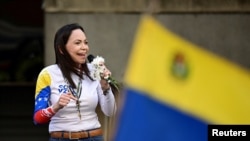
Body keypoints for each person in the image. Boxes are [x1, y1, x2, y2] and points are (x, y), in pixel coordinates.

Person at [33, 23, 116, 141]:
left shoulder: (95, 70)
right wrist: (56, 107)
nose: (84, 47)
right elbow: (37, 118)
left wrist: (106, 87)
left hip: (93, 137)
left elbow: (110, 112)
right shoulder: (47, 74)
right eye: (78, 43)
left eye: (85, 42)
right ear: (61, 49)